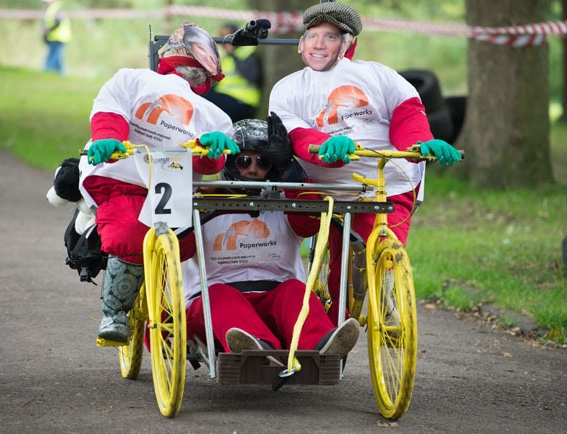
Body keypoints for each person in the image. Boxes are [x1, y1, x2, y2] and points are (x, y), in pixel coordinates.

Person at [268, 2, 462, 321]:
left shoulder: (380, 75)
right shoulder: (287, 88)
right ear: (302, 43)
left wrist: (423, 143)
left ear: (348, 43)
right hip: (330, 190)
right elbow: (296, 135)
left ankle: (382, 285)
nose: (319, 43)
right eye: (313, 35)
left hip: (390, 182)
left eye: (330, 36)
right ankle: (337, 324)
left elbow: (407, 113)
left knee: (379, 244)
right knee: (344, 267)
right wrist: (326, 146)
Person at [78, 22, 240, 344]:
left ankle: (168, 319)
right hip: (123, 179)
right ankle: (115, 312)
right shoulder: (134, 79)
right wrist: (109, 140)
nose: (189, 74)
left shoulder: (213, 115)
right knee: (129, 230)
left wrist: (212, 147)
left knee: (184, 241)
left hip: (172, 188)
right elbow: (110, 114)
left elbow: (209, 162)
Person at [182, 114, 360, 361]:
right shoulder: (200, 203)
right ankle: (256, 347)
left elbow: (309, 225)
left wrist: (289, 169)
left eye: (263, 162)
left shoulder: (287, 202)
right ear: (230, 163)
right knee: (219, 295)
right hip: (216, 305)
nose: (253, 169)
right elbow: (180, 250)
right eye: (244, 161)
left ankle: (319, 345)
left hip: (277, 298)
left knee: (295, 290)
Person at [204, 23, 262, 122]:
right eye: (222, 37)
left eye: (228, 37)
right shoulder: (225, 57)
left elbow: (252, 77)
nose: (225, 42)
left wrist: (233, 54)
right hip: (227, 97)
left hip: (243, 101)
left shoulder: (246, 53)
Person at [41, 0, 72, 74]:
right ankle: (62, 74)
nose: (45, 3)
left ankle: (46, 71)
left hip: (58, 37)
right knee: (57, 58)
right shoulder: (51, 10)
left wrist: (49, 30)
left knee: (52, 56)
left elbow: (58, 22)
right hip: (55, 37)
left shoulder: (56, 9)